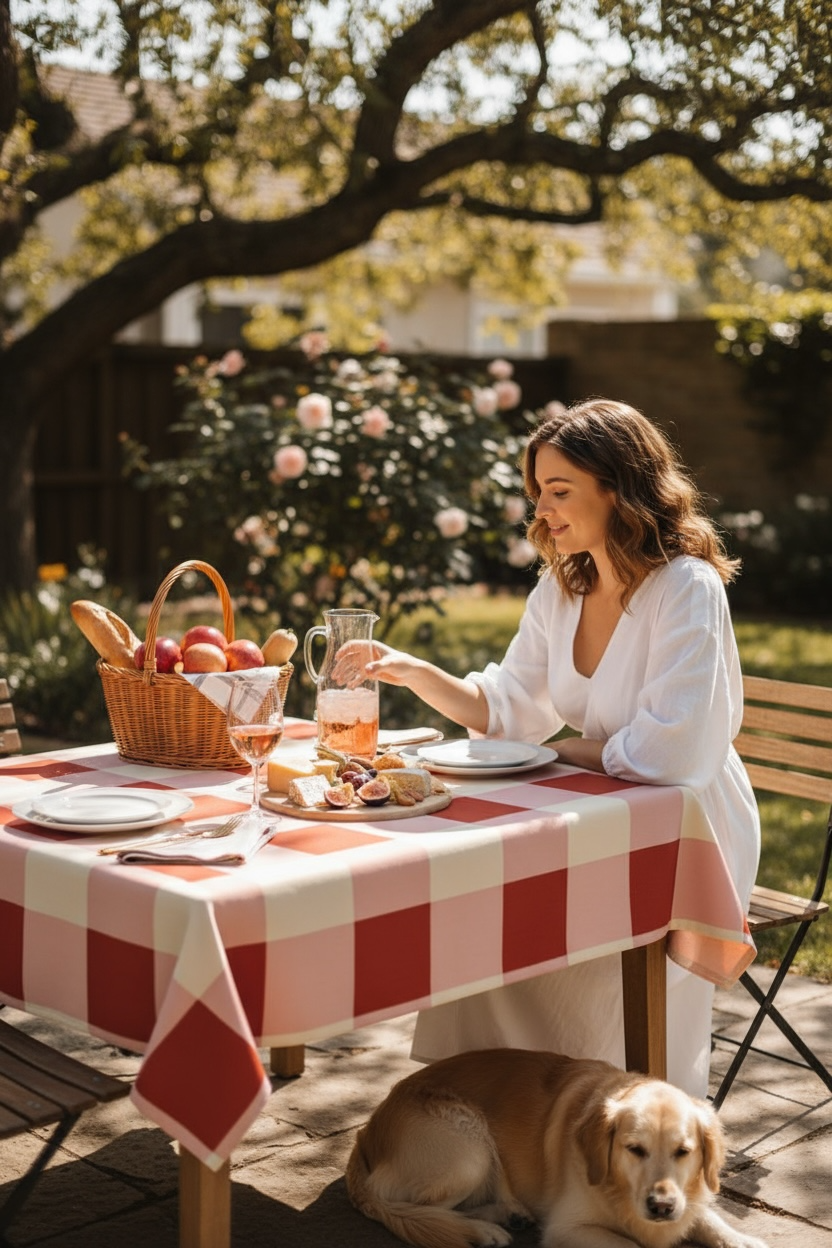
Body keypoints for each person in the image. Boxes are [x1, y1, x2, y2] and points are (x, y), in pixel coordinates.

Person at [335, 397, 760, 1098]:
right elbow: (505, 710)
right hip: (594, 806)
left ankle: (613, 1112)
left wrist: (568, 752)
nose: (543, 513)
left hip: (687, 827)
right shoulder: (565, 584)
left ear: (618, 487)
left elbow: (677, 750)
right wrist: (407, 668)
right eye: (537, 494)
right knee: (486, 904)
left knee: (573, 940)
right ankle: (499, 1106)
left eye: (559, 492)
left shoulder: (686, 586)